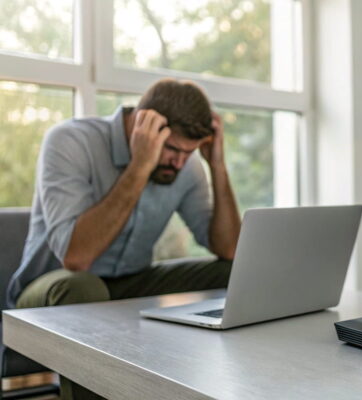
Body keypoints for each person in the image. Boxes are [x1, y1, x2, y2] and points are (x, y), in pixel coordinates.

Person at [6, 78, 241, 399]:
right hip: (49, 294)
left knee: (233, 272)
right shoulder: (71, 142)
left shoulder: (184, 166)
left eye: (190, 152)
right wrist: (140, 166)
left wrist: (216, 165)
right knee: (83, 286)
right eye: (172, 149)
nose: (180, 162)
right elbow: (76, 257)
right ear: (144, 125)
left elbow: (229, 249)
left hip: (131, 285)